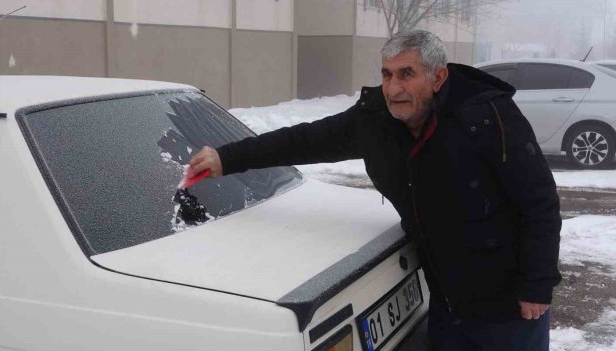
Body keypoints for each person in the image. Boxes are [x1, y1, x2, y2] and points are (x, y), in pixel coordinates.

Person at [188, 30, 561, 350]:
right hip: (447, 301)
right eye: (386, 74)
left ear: (438, 77)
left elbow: (539, 203)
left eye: (406, 74)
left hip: (508, 305)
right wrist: (227, 157)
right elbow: (305, 140)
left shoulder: (485, 117)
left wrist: (537, 285)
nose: (392, 87)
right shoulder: (375, 122)